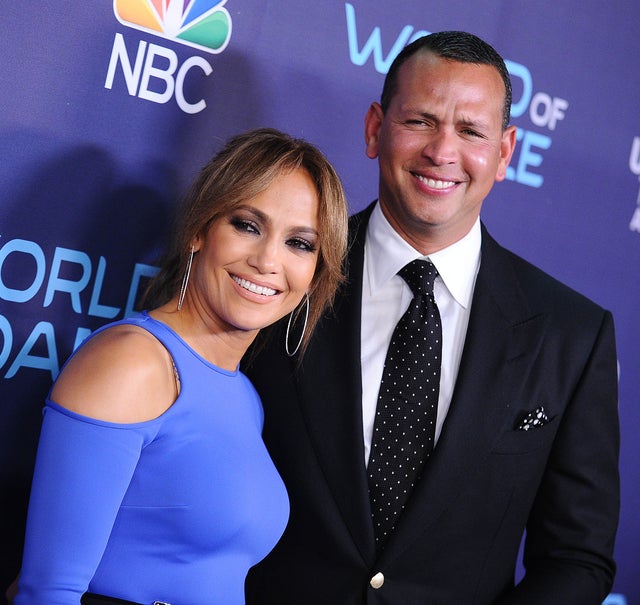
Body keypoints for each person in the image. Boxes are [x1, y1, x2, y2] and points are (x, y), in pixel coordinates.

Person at [243, 32, 620, 604]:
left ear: (504, 152)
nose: (442, 152)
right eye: (420, 121)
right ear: (375, 129)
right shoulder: (281, 280)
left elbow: (576, 559)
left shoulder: (572, 335)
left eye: (471, 130)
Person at [13, 127, 348, 605]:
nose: (268, 260)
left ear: (316, 271)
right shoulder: (133, 361)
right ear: (199, 229)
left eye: (300, 243)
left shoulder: (246, 397)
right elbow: (48, 592)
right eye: (247, 225)